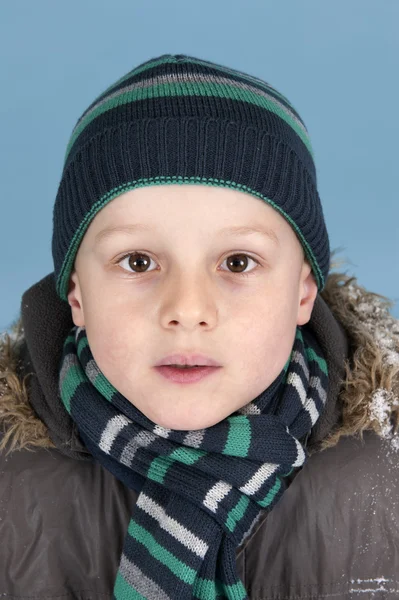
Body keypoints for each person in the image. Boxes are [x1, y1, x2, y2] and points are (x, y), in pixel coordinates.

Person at [1, 53, 398, 600]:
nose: (187, 309)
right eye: (138, 262)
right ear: (77, 294)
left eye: (237, 263)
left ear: (304, 291)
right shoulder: (11, 488)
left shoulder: (384, 481)